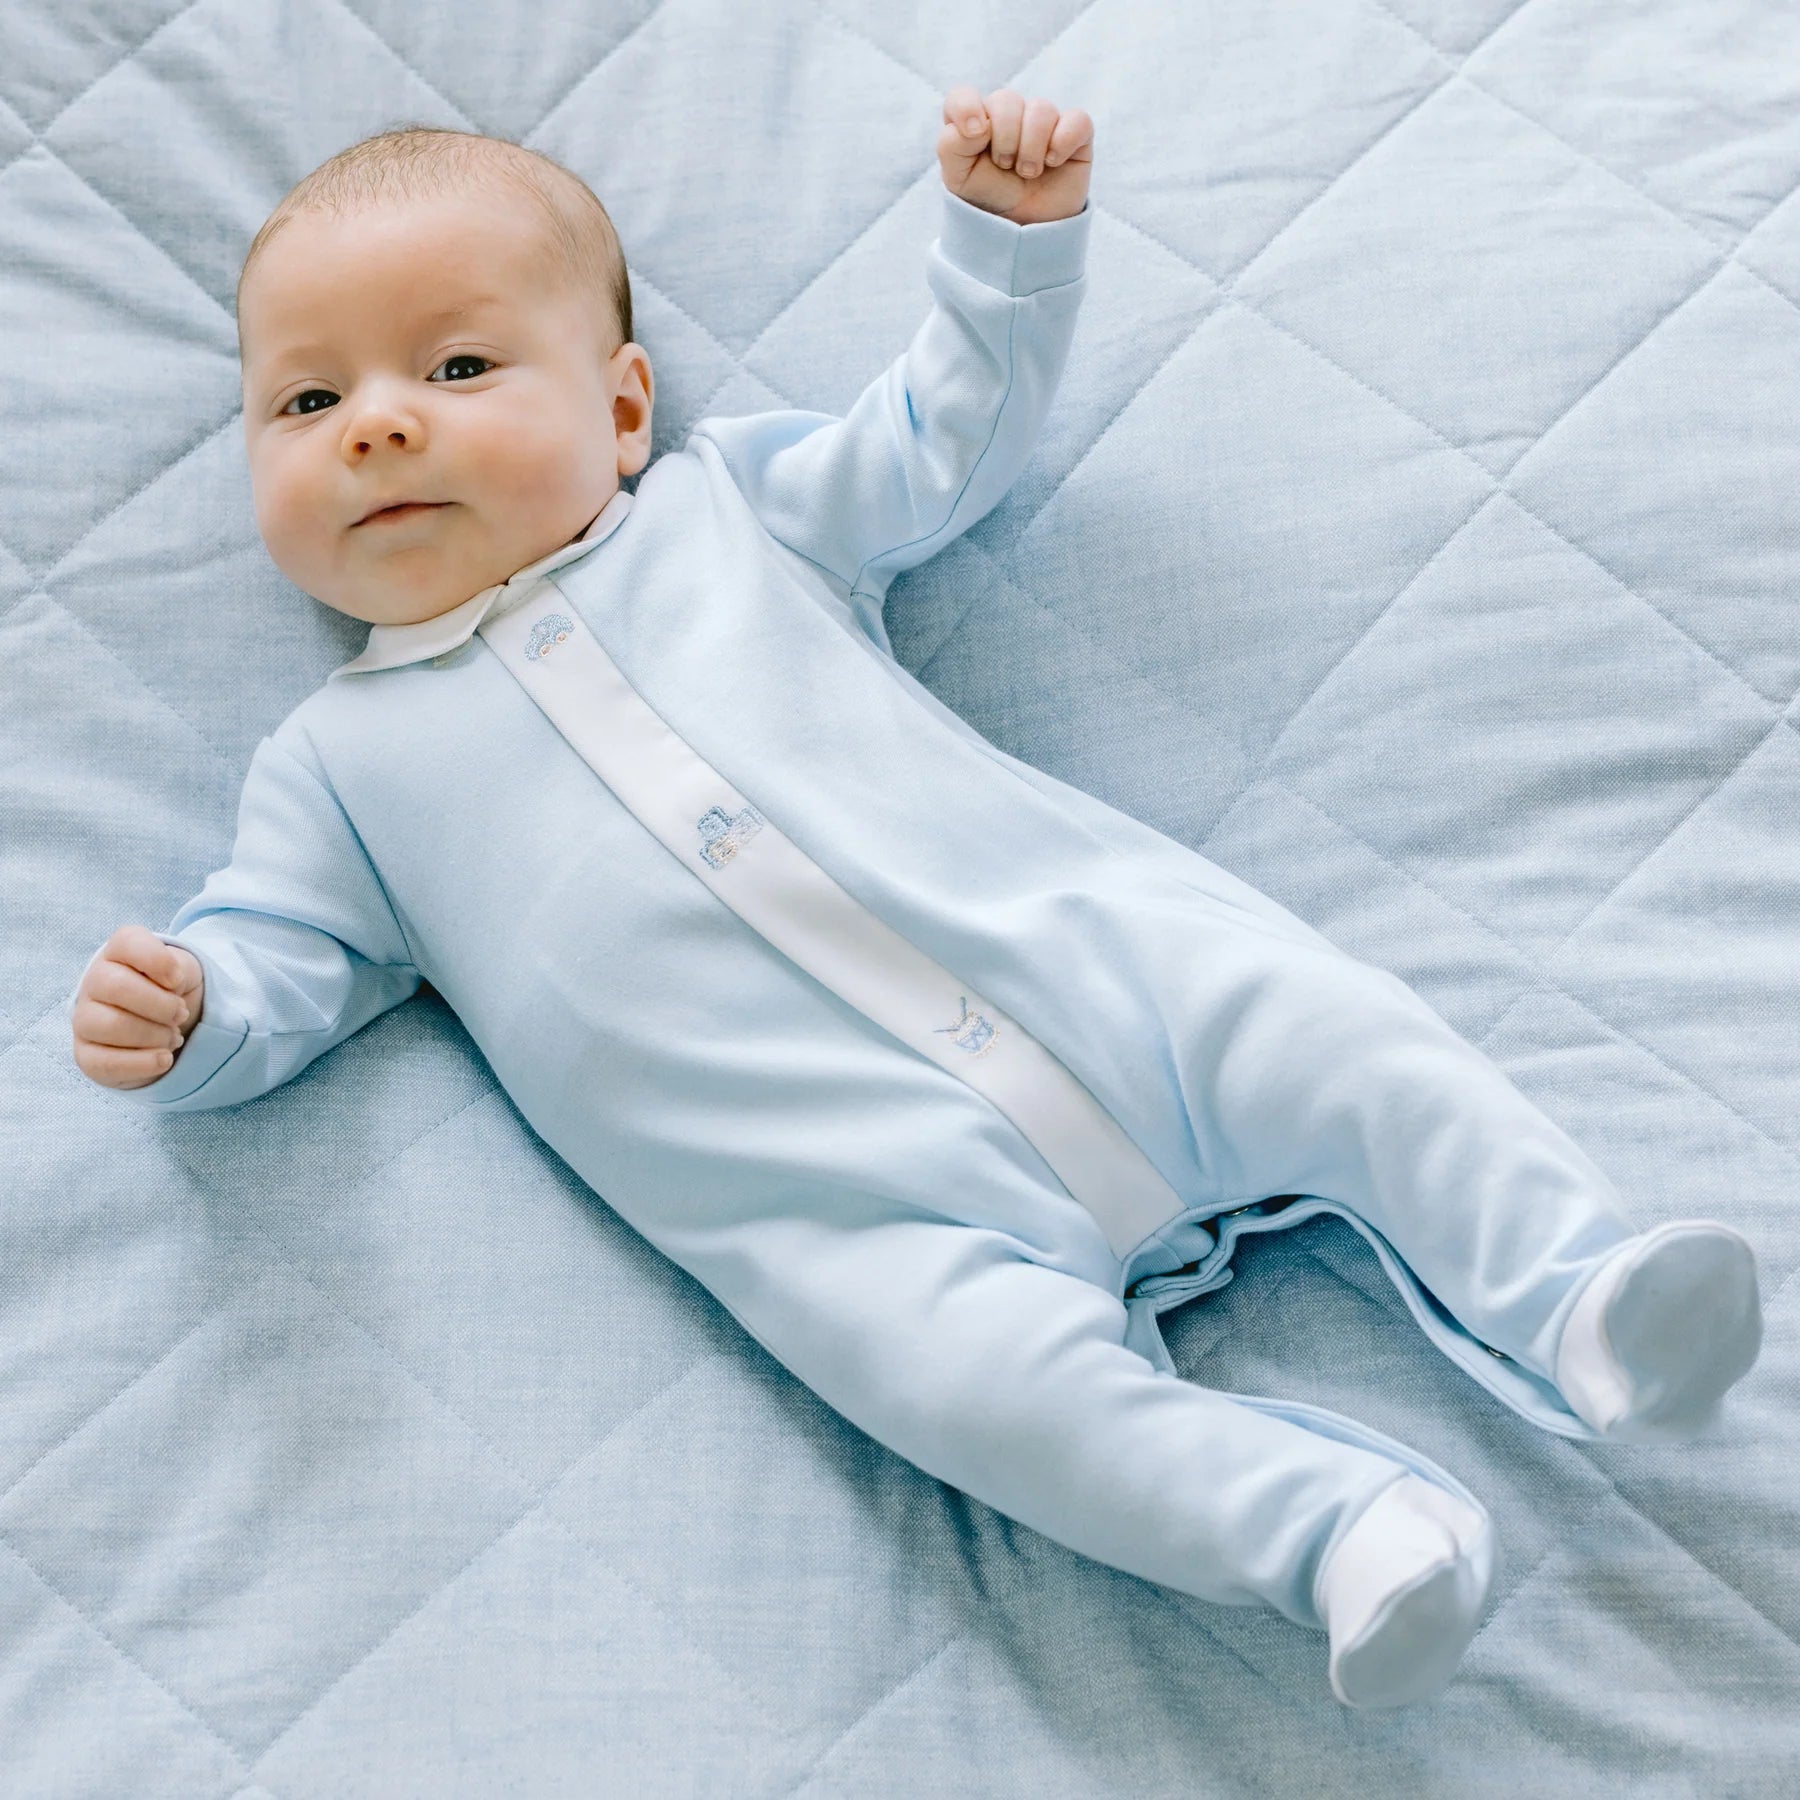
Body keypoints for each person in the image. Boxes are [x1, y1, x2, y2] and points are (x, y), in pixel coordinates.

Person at [67, 87, 1762, 1710]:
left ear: (627, 409)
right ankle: (1330, 1535)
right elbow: (276, 954)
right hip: (865, 1211)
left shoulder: (730, 514)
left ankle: (1573, 1285)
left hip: (1103, 978)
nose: (377, 421)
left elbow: (940, 445)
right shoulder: (339, 763)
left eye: (457, 363)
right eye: (305, 405)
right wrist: (195, 1013)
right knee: (981, 1405)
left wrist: (1002, 257)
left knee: (1340, 1046)